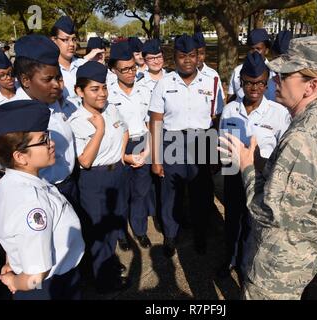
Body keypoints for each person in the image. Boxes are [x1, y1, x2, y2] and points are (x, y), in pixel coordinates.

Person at [219, 36, 317, 299]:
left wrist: (247, 167)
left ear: (311, 86)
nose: (274, 81)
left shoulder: (301, 137)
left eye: (284, 75)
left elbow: (271, 213)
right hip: (299, 254)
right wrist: (261, 162)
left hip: (278, 265)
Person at [0, 100, 84, 299]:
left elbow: (14, 234)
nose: (51, 143)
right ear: (20, 157)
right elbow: (35, 278)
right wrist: (13, 281)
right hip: (48, 287)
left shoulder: (12, 182)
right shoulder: (31, 202)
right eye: (43, 140)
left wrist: (13, 261)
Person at [149, 34, 224, 258]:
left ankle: (200, 235)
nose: (188, 60)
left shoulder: (211, 81)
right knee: (170, 193)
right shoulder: (164, 83)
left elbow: (217, 119)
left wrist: (215, 153)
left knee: (201, 193)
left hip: (202, 141)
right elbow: (155, 121)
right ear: (174, 58)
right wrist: (156, 158)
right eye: (182, 56)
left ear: (197, 56)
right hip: (172, 141)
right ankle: (171, 235)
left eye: (191, 55)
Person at [217, 51, 290, 279]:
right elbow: (222, 142)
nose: (254, 88)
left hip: (261, 178)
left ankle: (247, 265)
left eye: (260, 83)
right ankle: (229, 258)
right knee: (232, 221)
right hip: (233, 175)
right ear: (241, 82)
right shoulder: (229, 110)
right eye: (249, 83)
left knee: (253, 225)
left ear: (266, 83)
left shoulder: (279, 113)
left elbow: (282, 152)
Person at [68, 61, 130, 294]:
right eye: (94, 89)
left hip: (118, 174)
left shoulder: (111, 108)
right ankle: (104, 283)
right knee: (97, 232)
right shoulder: (76, 121)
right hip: (94, 180)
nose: (102, 93)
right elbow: (84, 160)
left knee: (115, 223)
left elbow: (124, 130)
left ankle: (107, 265)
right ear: (79, 91)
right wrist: (100, 130)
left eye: (104, 87)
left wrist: (122, 156)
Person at [11, 34, 78, 207]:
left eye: (57, 77)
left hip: (69, 184)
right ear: (25, 80)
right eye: (48, 79)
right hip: (42, 195)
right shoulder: (14, 114)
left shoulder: (52, 101)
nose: (56, 84)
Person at [107, 42, 153, 249]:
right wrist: (123, 156)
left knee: (140, 193)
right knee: (121, 194)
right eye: (124, 69)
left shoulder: (145, 89)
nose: (130, 73)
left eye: (133, 67)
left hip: (143, 144)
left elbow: (151, 121)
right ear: (113, 70)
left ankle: (140, 230)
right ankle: (121, 234)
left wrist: (148, 151)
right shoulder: (107, 94)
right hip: (119, 148)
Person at [51, 16, 104, 98]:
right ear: (54, 41)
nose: (71, 44)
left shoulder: (84, 65)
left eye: (74, 39)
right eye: (65, 40)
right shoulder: (49, 70)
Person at [227, 28, 275, 102]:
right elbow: (231, 97)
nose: (254, 52)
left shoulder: (274, 72)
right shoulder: (238, 71)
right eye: (251, 49)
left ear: (266, 50)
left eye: (258, 49)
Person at [193, 31, 225, 104]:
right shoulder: (184, 74)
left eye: (201, 53)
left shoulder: (213, 75)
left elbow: (220, 102)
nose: (198, 57)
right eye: (195, 53)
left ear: (205, 54)